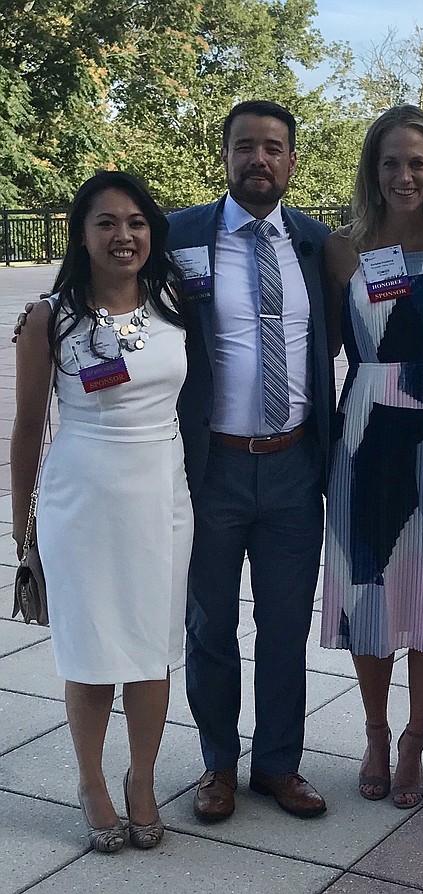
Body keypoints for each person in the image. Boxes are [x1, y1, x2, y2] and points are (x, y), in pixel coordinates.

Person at [11, 171, 193, 852]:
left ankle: (141, 778)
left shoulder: (175, 300)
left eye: (137, 222)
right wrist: (21, 529)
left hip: (165, 500)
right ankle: (90, 781)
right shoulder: (47, 318)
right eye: (106, 223)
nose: (124, 236)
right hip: (81, 503)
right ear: (81, 235)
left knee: (152, 654)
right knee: (89, 657)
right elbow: (28, 429)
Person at [320, 105, 423, 808]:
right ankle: (376, 730)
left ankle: (416, 736)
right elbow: (315, 348)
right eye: (391, 161)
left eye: (417, 161)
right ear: (372, 169)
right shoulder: (342, 248)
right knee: (369, 586)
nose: (405, 175)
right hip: (361, 429)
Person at [169, 100, 332, 820]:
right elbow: (106, 291)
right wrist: (47, 314)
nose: (259, 159)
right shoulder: (178, 236)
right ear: (225, 156)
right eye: (245, 147)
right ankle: (217, 766)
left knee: (286, 624)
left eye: (273, 148)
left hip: (295, 466)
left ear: (292, 161)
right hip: (212, 469)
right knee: (208, 626)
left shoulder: (320, 245)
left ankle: (278, 763)